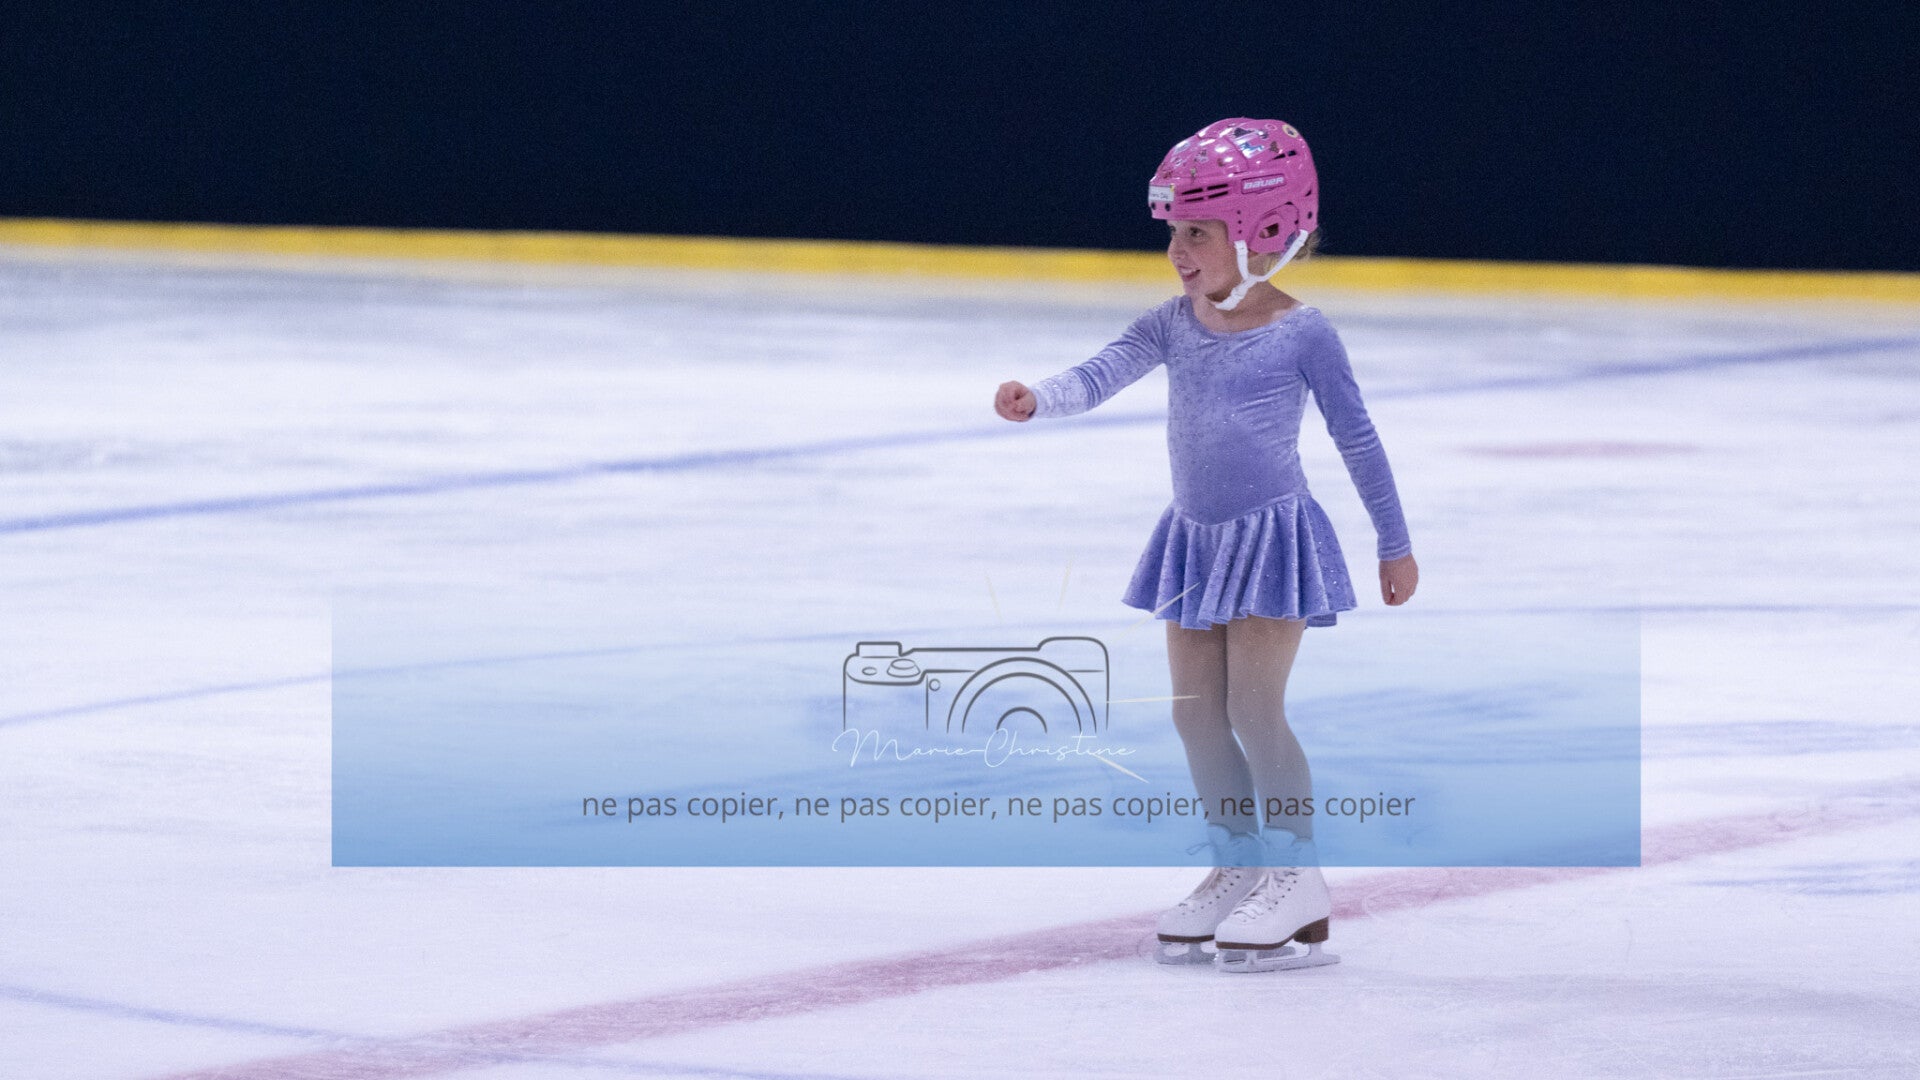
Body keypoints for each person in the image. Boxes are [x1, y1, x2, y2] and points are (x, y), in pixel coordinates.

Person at [992, 118, 1419, 972]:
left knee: (1255, 711)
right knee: (1194, 716)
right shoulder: (1172, 323)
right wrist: (1039, 398)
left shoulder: (1304, 332)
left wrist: (1394, 543)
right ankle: (1237, 864)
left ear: (1263, 231)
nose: (1177, 252)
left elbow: (1358, 438)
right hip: (1193, 542)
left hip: (1272, 541)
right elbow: (1103, 370)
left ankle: (1296, 876)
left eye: (1197, 233)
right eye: (1174, 233)